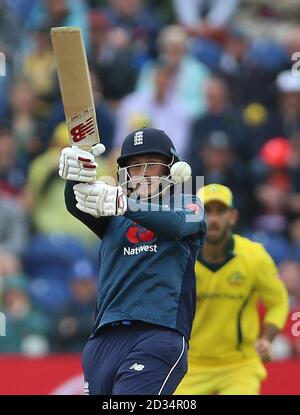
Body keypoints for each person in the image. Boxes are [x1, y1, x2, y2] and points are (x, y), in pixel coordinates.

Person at [58, 127, 206, 395]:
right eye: (135, 167)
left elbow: (177, 224)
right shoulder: (113, 212)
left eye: (152, 164)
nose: (143, 174)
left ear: (172, 169)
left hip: (157, 334)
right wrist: (77, 169)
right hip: (103, 338)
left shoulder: (189, 202)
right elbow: (76, 201)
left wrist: (122, 202)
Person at [175, 184, 289, 395]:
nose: (214, 219)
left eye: (221, 211)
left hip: (240, 365)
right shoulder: (181, 257)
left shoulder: (254, 256)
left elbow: (279, 300)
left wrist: (267, 339)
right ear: (195, 214)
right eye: (207, 211)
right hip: (190, 365)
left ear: (233, 217)